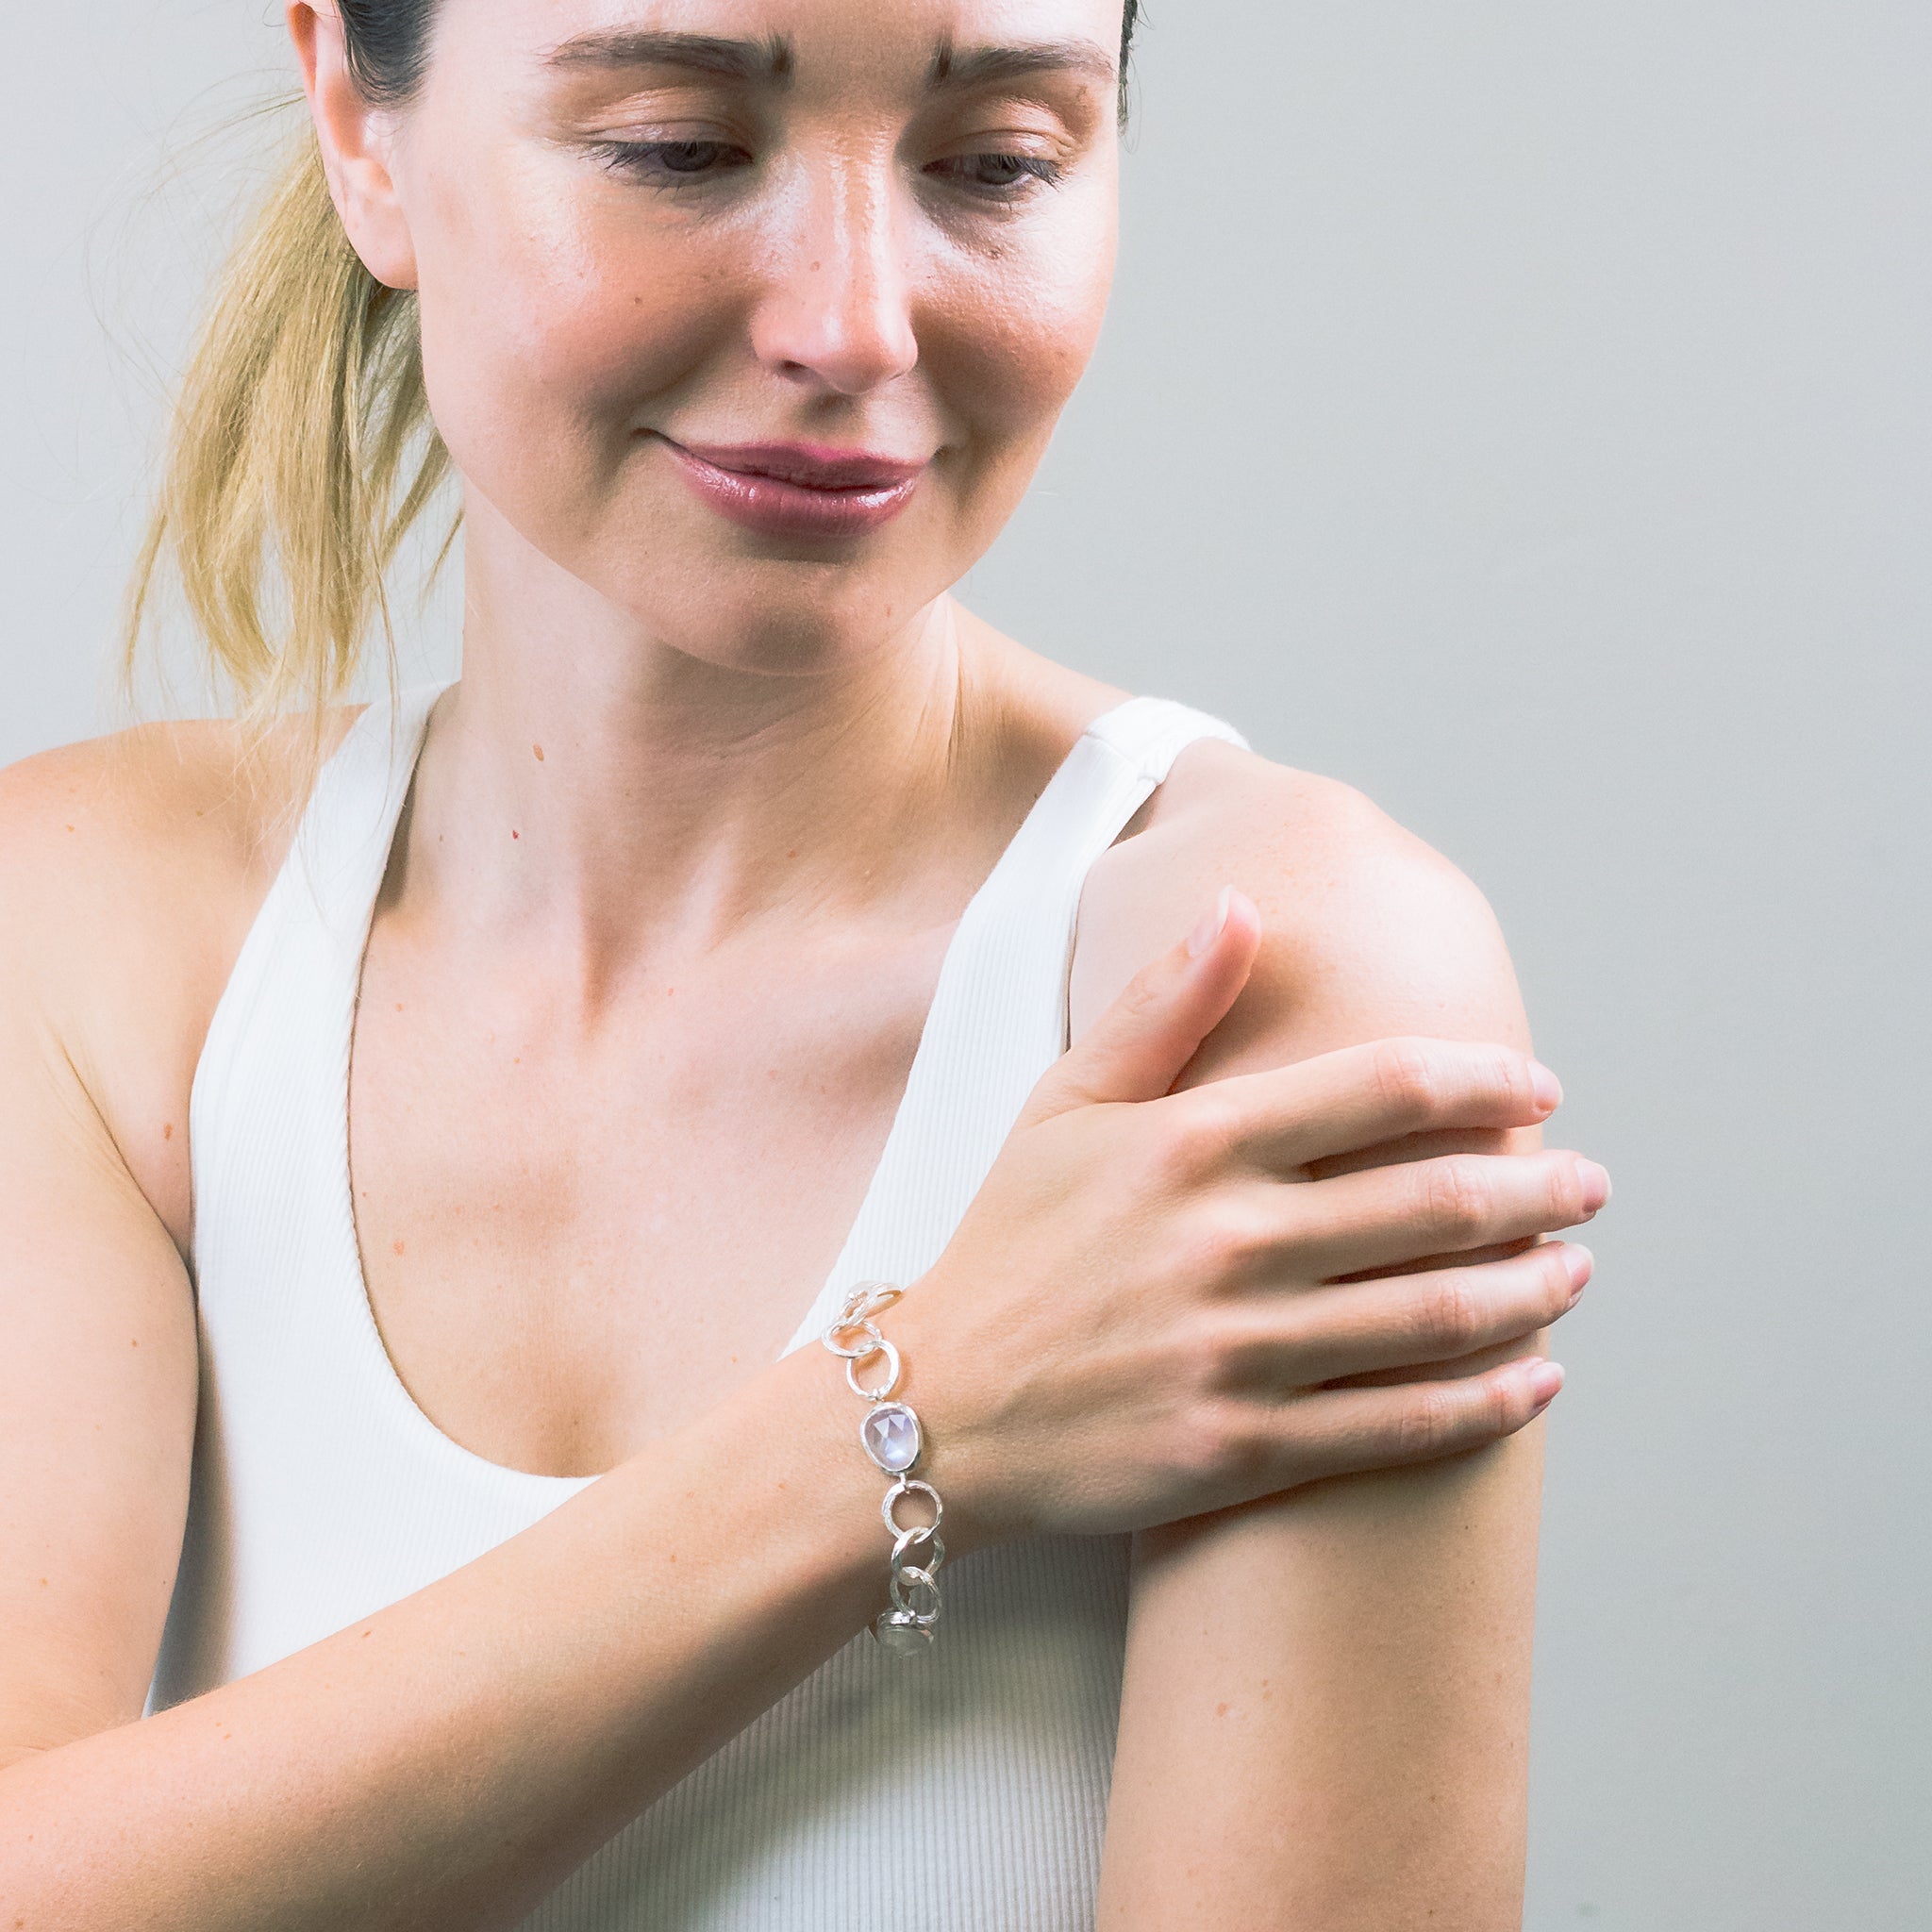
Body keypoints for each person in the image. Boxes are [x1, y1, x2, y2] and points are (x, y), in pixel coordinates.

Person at [0, 1, 1608, 1925]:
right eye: (680, 145)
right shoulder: (98, 932)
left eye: (998, 161)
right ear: (359, 117)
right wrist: (901, 1419)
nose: (852, 325)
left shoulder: (1250, 987)